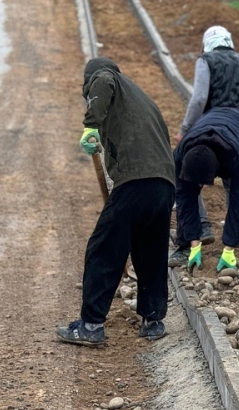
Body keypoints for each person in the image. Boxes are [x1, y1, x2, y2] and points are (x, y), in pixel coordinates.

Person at [57, 57, 174, 346]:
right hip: (164, 184)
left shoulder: (106, 78)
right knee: (151, 251)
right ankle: (153, 321)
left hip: (136, 181)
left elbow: (103, 79)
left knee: (103, 249)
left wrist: (91, 125)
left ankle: (91, 325)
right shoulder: (141, 99)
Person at [170, 25, 239, 260]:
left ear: (206, 44)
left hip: (229, 137)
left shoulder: (206, 60)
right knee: (220, 183)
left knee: (200, 180)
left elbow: (199, 98)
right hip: (236, 132)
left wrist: (185, 129)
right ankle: (201, 238)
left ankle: (207, 233)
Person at [173, 105, 239, 271]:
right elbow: (184, 198)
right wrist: (194, 243)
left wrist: (229, 248)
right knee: (185, 191)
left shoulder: (234, 155)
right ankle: (185, 247)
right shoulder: (179, 155)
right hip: (215, 120)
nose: (200, 187)